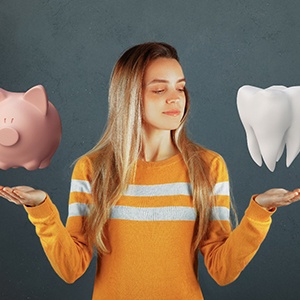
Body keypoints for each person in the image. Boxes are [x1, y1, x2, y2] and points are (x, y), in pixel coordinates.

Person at [0, 42, 299, 300]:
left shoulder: (208, 167)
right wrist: (40, 209)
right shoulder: (93, 169)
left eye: (180, 87)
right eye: (159, 89)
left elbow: (222, 270)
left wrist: (260, 211)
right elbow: (70, 268)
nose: (175, 98)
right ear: (129, 95)